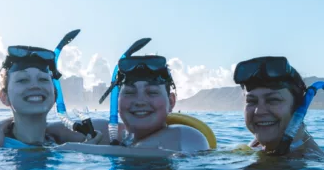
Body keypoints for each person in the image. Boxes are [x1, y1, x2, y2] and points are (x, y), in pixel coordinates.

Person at [58, 54, 211, 157]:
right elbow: (48, 131)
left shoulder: (185, 136)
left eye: (152, 92)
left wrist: (74, 148)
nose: (140, 101)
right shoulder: (108, 132)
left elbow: (146, 152)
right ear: (117, 101)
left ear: (171, 102)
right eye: (130, 92)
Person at [0, 43, 102, 148]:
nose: (35, 86)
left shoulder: (57, 139)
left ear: (55, 95)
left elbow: (111, 130)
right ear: (4, 97)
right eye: (23, 80)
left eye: (43, 79)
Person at [233, 56, 324, 160]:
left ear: (297, 106)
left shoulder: (309, 161)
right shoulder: (257, 146)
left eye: (273, 100)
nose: (259, 111)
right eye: (251, 101)